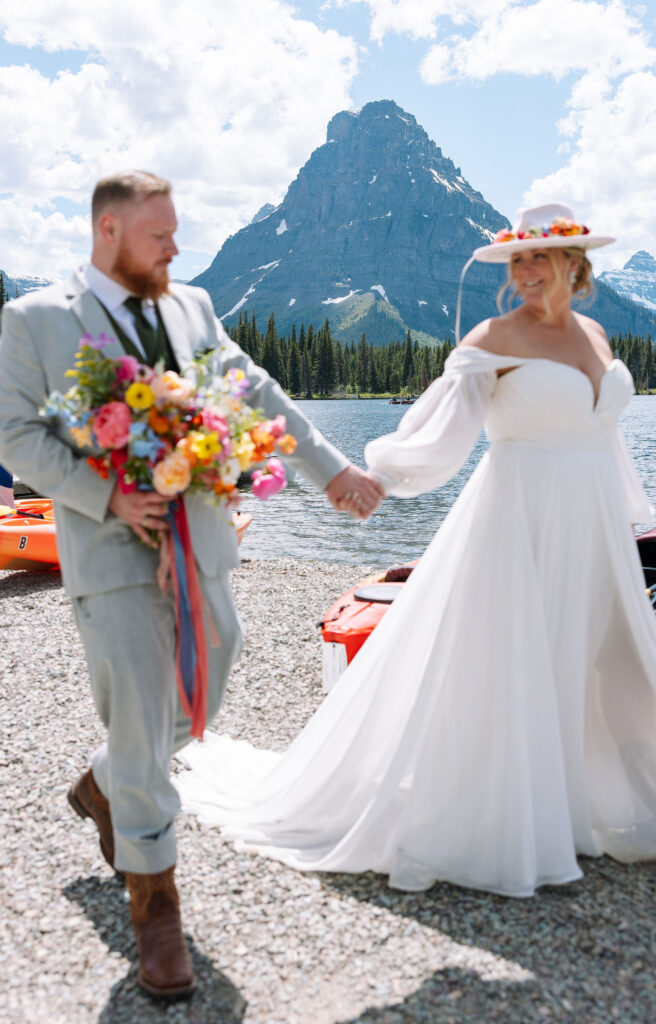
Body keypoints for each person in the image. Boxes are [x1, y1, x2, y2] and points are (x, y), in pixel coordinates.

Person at [175, 202, 656, 897]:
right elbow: (441, 427)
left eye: (541, 257)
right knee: (516, 653)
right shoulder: (493, 336)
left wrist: (626, 513)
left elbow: (603, 430)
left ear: (575, 263)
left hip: (591, 517)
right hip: (521, 514)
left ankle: (572, 797)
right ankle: (511, 811)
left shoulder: (595, 332)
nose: (527, 271)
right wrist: (378, 476)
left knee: (593, 650)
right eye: (518, 259)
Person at [0, 170, 384, 1000]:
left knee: (208, 684)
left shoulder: (193, 306)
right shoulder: (34, 320)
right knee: (142, 705)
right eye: (160, 235)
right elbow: (15, 435)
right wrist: (106, 490)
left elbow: (252, 389)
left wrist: (330, 470)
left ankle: (107, 779)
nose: (176, 248)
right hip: (108, 544)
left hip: (200, 535)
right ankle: (156, 905)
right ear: (108, 232)